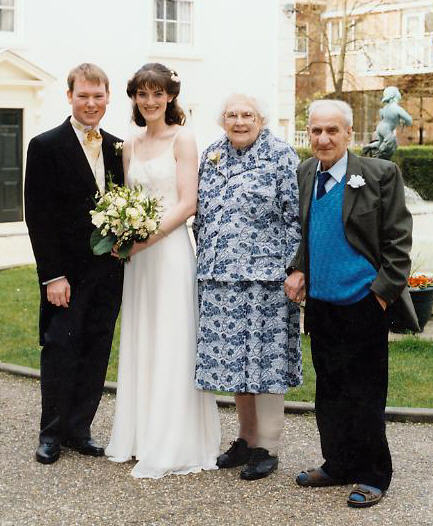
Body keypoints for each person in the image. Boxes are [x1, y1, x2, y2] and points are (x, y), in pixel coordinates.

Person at [285, 99, 418, 507]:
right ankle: (338, 463)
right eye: (316, 131)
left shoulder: (380, 174)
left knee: (364, 391)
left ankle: (373, 474)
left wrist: (379, 294)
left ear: (348, 134)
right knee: (330, 388)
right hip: (322, 304)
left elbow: (398, 241)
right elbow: (308, 232)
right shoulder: (306, 172)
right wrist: (299, 269)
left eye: (332, 131)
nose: (323, 139)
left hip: (364, 301)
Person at [105, 63, 220, 478]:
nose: (149, 102)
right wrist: (123, 231)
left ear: (170, 96)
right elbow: (127, 197)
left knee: (172, 340)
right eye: (142, 94)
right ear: (134, 98)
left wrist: (145, 239)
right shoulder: (130, 144)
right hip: (139, 261)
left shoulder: (183, 137)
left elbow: (188, 203)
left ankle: (173, 441)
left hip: (169, 252)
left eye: (157, 94)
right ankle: (141, 435)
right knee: (143, 337)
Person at [193, 93, 302, 481]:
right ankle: (245, 438)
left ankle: (267, 446)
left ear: (261, 119)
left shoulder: (280, 155)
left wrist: (295, 269)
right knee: (237, 363)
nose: (239, 121)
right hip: (219, 275)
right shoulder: (211, 155)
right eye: (232, 115)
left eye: (247, 115)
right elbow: (201, 215)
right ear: (221, 119)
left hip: (266, 278)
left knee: (265, 360)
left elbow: (295, 216)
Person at [25, 63, 124, 464]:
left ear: (107, 97)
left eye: (98, 96)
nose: (90, 103)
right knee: (60, 348)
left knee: (97, 348)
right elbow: (39, 216)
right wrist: (53, 276)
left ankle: (79, 428)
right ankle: (51, 433)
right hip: (65, 274)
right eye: (83, 95)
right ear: (69, 96)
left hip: (109, 272)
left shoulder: (118, 147)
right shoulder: (45, 145)